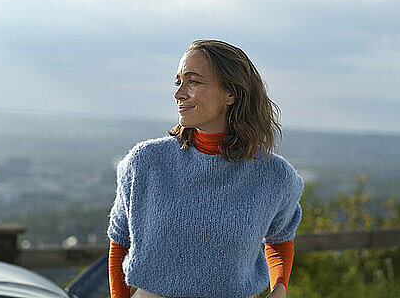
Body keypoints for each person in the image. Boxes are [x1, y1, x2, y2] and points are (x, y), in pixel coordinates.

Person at [107, 39, 304, 298]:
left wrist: (280, 287)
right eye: (178, 81)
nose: (179, 93)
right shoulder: (146, 163)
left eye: (193, 81)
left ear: (231, 93)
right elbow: (119, 242)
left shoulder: (274, 177)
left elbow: (279, 239)